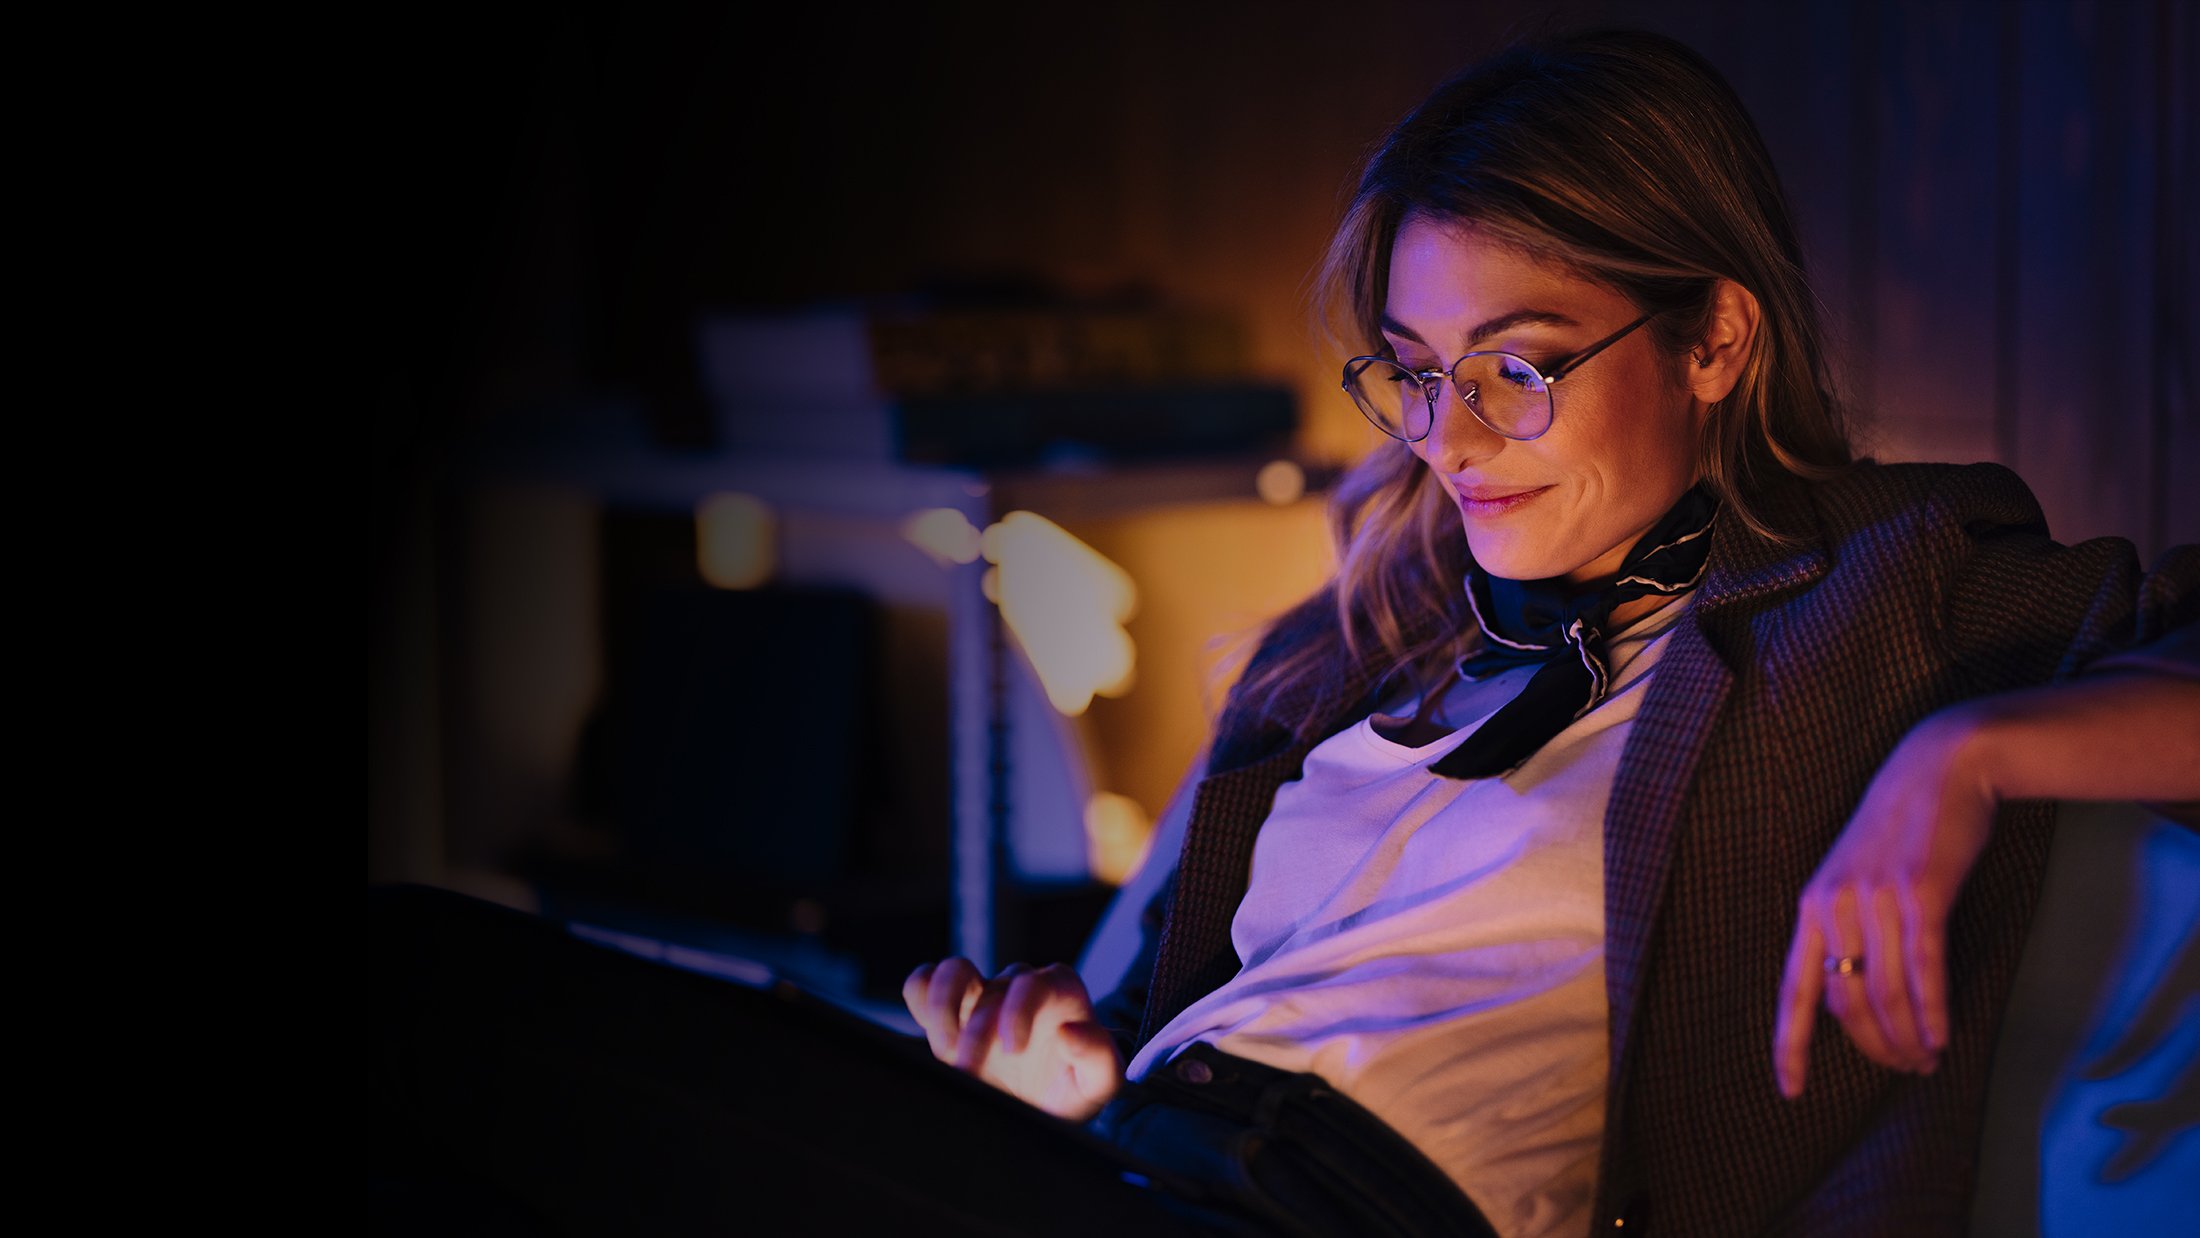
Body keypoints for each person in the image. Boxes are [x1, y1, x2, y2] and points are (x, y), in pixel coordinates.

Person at [371, 28, 2198, 1238]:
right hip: (1126, 1157)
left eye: (1520, 368)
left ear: (1716, 341)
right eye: (1414, 373)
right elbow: (1230, 1007)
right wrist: (1080, 1076)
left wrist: (1969, 754)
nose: (1451, 437)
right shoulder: (1356, 639)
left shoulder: (1878, 588)